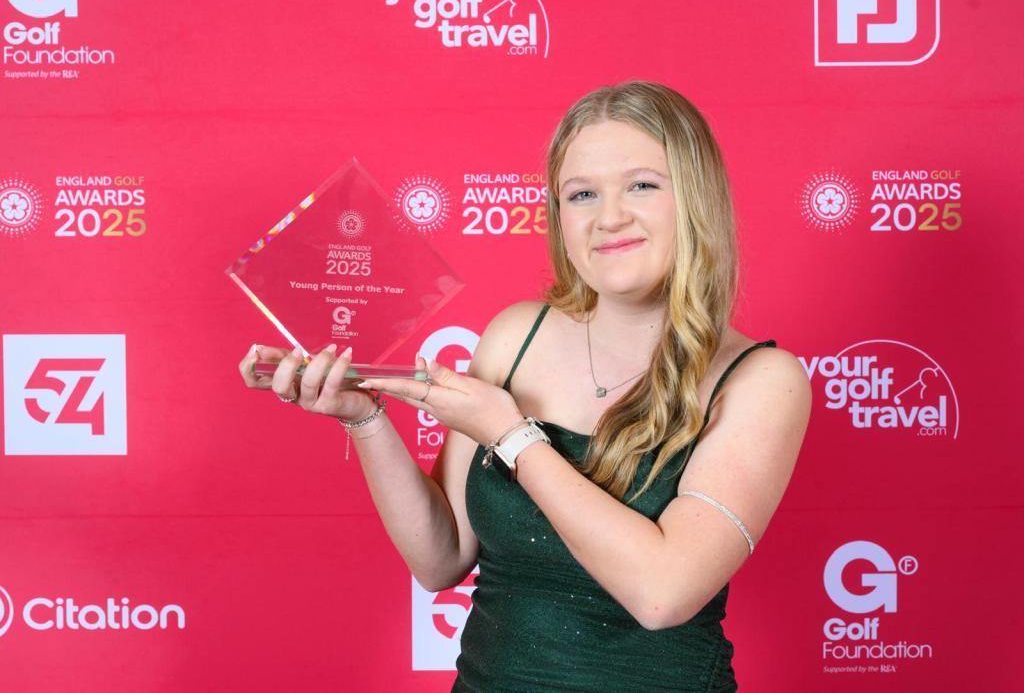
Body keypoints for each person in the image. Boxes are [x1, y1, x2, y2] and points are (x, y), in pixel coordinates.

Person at [239, 80, 811, 692]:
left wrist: (512, 436)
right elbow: (440, 559)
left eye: (642, 185)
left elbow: (663, 594)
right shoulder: (517, 337)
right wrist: (363, 415)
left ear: (696, 198)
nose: (609, 217)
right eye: (582, 194)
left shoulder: (761, 380)